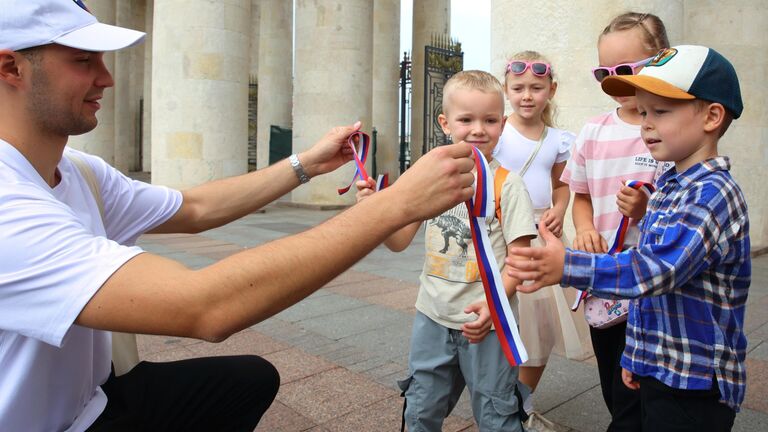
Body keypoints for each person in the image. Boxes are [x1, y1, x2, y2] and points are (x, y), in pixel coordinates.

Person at [0, 1, 477, 431]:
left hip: (95, 400)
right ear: (11, 67)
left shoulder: (78, 171)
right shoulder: (7, 205)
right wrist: (398, 205)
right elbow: (202, 306)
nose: (106, 78)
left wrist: (305, 164)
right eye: (84, 61)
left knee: (247, 380)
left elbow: (196, 207)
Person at [507, 44, 749, 432]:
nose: (645, 123)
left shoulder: (712, 193)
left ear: (712, 116)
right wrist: (637, 355)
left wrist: (569, 265)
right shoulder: (670, 185)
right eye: (644, 111)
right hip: (661, 367)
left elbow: (658, 269)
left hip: (696, 382)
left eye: (661, 111)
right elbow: (649, 296)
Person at [356, 70, 536, 431]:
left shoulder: (509, 185)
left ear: (503, 124)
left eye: (489, 120)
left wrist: (494, 305)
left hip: (487, 325)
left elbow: (520, 260)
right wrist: (372, 211)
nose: (478, 130)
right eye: (466, 119)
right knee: (421, 409)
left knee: (496, 411)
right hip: (432, 317)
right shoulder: (428, 182)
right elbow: (398, 241)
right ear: (445, 123)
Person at [558, 12, 671, 430]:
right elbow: (580, 195)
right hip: (604, 281)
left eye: (627, 69)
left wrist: (645, 210)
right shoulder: (593, 131)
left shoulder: (671, 130)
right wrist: (584, 227)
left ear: (661, 60)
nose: (616, 81)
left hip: (651, 282)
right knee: (611, 381)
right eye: (605, 73)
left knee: (637, 393)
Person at [494, 50, 591, 421]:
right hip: (504, 231)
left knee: (542, 326)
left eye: (536, 87)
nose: (527, 95)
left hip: (539, 233)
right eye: (518, 88)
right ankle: (498, 390)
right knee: (508, 315)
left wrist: (560, 208)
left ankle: (524, 399)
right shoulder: (498, 131)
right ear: (506, 89)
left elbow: (562, 185)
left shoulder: (558, 140)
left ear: (551, 89)